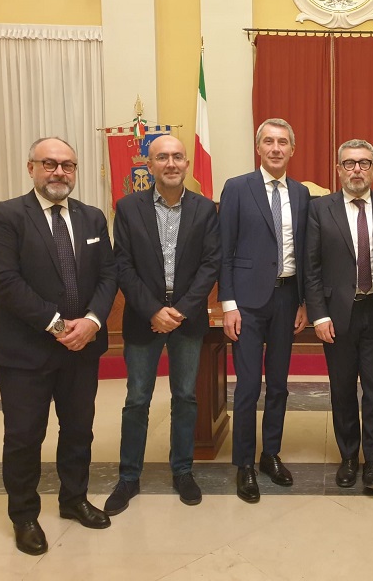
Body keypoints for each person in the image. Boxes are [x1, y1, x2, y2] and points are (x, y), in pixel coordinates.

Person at [0, 137, 117, 555]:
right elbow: (3, 280)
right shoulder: (4, 216)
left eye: (68, 165)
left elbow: (108, 275)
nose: (59, 172)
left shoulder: (92, 217)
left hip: (82, 347)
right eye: (50, 164)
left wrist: (92, 322)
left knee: (79, 429)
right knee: (24, 436)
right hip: (25, 350)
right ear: (31, 168)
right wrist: (57, 326)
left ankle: (74, 499)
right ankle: (24, 515)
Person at [105, 135, 221, 514]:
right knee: (137, 399)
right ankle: (128, 476)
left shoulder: (205, 209)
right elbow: (123, 265)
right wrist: (154, 310)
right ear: (149, 164)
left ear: (186, 164)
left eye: (177, 157)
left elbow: (210, 264)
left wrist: (181, 310)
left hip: (187, 319)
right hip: (144, 319)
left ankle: (182, 471)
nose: (170, 163)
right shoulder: (128, 208)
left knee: (185, 397)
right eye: (162, 157)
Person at [219, 118, 310, 503]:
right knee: (247, 386)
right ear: (259, 148)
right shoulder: (237, 188)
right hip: (247, 304)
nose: (276, 148)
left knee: (278, 384)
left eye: (282, 142)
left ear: (292, 149)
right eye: (269, 141)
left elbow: (305, 251)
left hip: (287, 300)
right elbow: (224, 250)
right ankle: (244, 463)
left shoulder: (302, 193)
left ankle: (270, 453)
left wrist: (303, 301)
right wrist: (228, 304)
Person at [304, 139, 373, 493]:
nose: (356, 169)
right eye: (349, 163)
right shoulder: (320, 209)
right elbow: (311, 266)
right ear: (338, 169)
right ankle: (348, 457)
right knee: (342, 389)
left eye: (363, 163)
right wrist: (318, 315)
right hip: (337, 315)